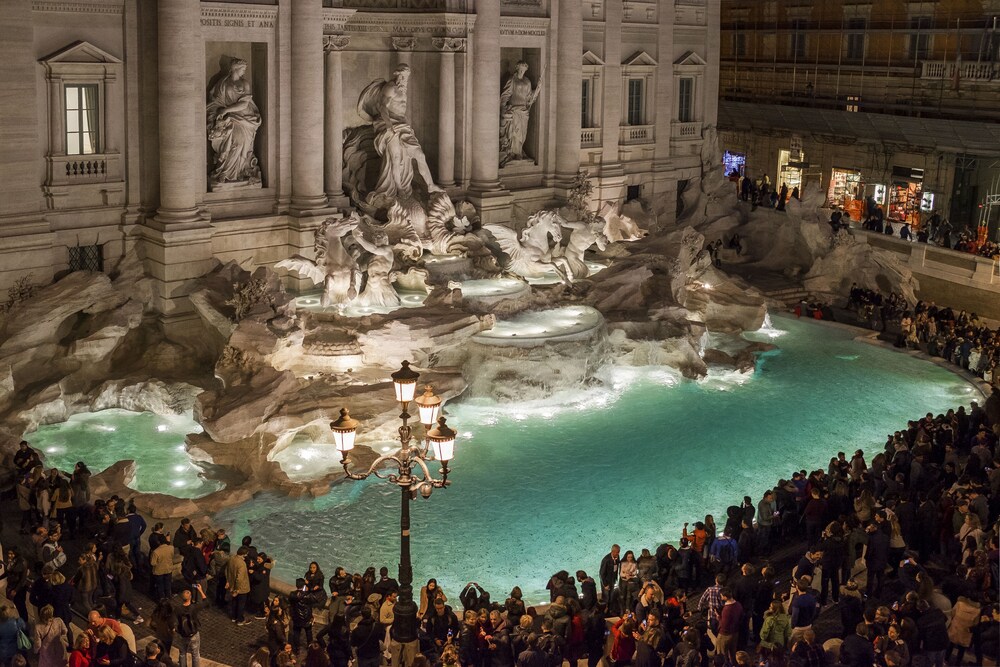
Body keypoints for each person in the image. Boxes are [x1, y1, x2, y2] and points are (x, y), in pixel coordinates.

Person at [359, 64, 442, 203]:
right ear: (396, 75)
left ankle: (430, 185)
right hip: (388, 125)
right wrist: (389, 126)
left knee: (420, 155)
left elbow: (400, 109)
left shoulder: (403, 89)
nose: (404, 80)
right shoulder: (390, 88)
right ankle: (399, 188)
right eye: (402, 77)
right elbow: (382, 107)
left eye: (406, 77)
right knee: (395, 158)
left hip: (403, 126)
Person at [206, 56, 262, 186]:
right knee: (232, 142)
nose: (244, 71)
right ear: (235, 68)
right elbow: (216, 101)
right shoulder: (223, 83)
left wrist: (226, 111)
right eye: (243, 69)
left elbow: (244, 104)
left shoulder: (244, 83)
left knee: (241, 143)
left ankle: (240, 171)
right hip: (230, 118)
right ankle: (224, 172)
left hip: (244, 117)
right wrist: (219, 113)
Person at [499, 61, 541, 167]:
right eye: (520, 69)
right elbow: (505, 94)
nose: (522, 71)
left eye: (524, 70)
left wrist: (538, 88)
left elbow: (530, 98)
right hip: (514, 109)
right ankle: (512, 153)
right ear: (517, 68)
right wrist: (503, 107)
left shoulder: (527, 82)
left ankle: (519, 151)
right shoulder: (512, 80)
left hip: (524, 111)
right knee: (513, 133)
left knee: (522, 133)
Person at [174, 584, 207, 667]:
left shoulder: (177, 609)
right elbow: (206, 602)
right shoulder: (194, 607)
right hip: (193, 634)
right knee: (195, 655)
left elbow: (173, 621)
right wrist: (200, 590)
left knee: (182, 653)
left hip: (182, 634)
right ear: (190, 597)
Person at [226, 547, 251, 625]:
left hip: (232, 585)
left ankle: (234, 617)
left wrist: (228, 581)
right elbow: (239, 579)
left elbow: (227, 570)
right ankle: (240, 620)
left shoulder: (232, 558)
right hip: (241, 588)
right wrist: (237, 590)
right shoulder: (242, 564)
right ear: (244, 554)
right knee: (241, 604)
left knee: (234, 602)